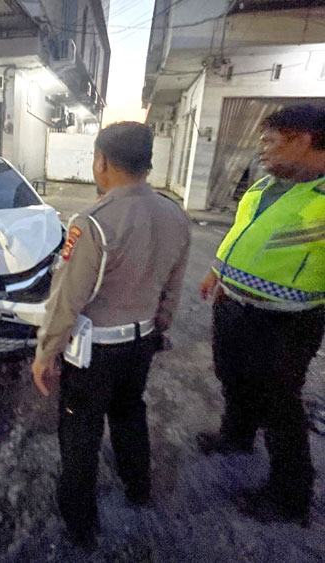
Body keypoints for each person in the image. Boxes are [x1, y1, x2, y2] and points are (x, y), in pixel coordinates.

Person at [31, 122, 190, 548]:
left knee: (80, 430)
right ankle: (138, 487)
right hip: (142, 341)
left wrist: (46, 352)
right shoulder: (175, 215)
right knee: (129, 412)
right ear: (148, 164)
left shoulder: (93, 223)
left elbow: (67, 299)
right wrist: (159, 330)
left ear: (101, 161)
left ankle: (80, 522)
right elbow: (172, 287)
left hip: (96, 351)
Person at [196, 105, 325, 526]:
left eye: (270, 141)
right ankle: (236, 437)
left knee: (279, 405)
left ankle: (290, 496)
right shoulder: (264, 186)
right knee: (232, 376)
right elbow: (241, 235)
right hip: (234, 305)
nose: (261, 150)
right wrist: (217, 273)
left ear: (303, 140)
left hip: (286, 321)